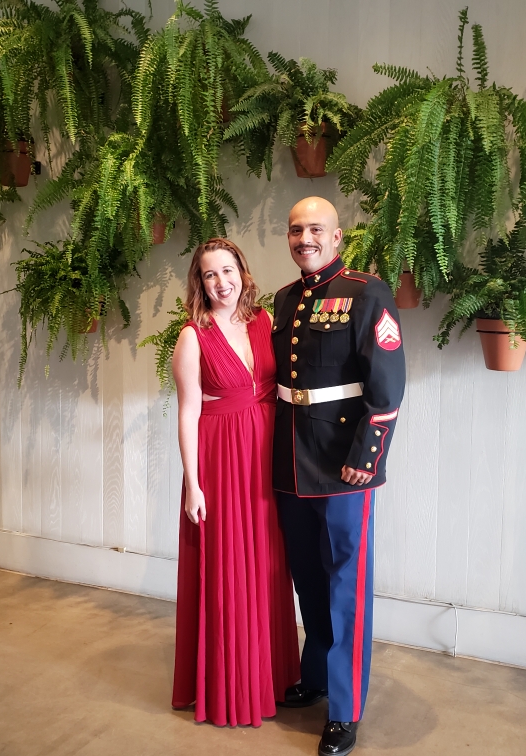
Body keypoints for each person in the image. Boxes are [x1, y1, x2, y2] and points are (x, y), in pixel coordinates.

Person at [271, 197, 406, 756]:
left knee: (347, 585)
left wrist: (367, 458)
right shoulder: (284, 299)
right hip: (291, 460)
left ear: (337, 236)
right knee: (308, 578)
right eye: (296, 229)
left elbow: (387, 388)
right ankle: (318, 675)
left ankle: (345, 710)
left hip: (344, 462)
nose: (305, 238)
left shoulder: (366, 292)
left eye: (316, 229)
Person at [170, 238, 301, 727]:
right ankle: (232, 689)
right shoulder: (192, 337)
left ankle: (271, 676)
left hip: (266, 459)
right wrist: (193, 482)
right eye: (210, 275)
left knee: (267, 567)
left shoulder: (264, 323)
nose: (222, 282)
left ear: (243, 273)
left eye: (229, 271)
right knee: (228, 570)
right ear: (199, 283)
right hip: (221, 463)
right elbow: (188, 412)